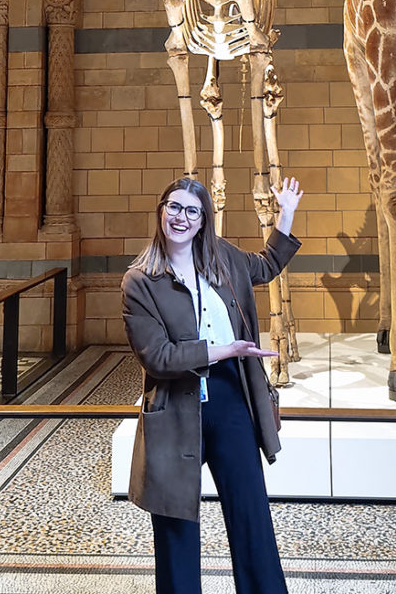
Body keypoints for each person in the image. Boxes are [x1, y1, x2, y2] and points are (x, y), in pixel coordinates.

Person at [121, 175, 303, 594]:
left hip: (229, 401)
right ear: (161, 211)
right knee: (176, 529)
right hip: (175, 408)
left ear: (204, 220)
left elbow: (268, 264)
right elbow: (158, 357)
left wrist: (287, 212)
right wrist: (222, 350)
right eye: (174, 207)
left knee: (251, 517)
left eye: (191, 210)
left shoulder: (223, 257)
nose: (180, 218)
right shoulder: (139, 281)